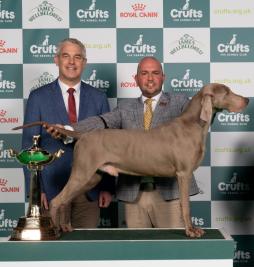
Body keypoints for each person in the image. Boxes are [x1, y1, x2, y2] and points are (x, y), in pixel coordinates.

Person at [63, 56, 199, 228]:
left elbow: (198, 123)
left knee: (173, 251)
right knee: (137, 252)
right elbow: (102, 121)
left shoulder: (180, 103)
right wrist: (69, 128)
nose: (150, 78)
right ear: (136, 79)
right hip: (134, 195)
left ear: (163, 77)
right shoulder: (125, 107)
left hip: (170, 195)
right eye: (144, 73)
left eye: (155, 73)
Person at [22, 38, 113, 228]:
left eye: (77, 57)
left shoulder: (98, 98)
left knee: (85, 252)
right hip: (52, 189)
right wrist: (37, 190)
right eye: (66, 56)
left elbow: (108, 145)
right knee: (52, 252)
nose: (72, 62)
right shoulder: (38, 97)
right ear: (56, 60)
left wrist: (107, 187)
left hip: (89, 190)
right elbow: (29, 145)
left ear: (84, 63)